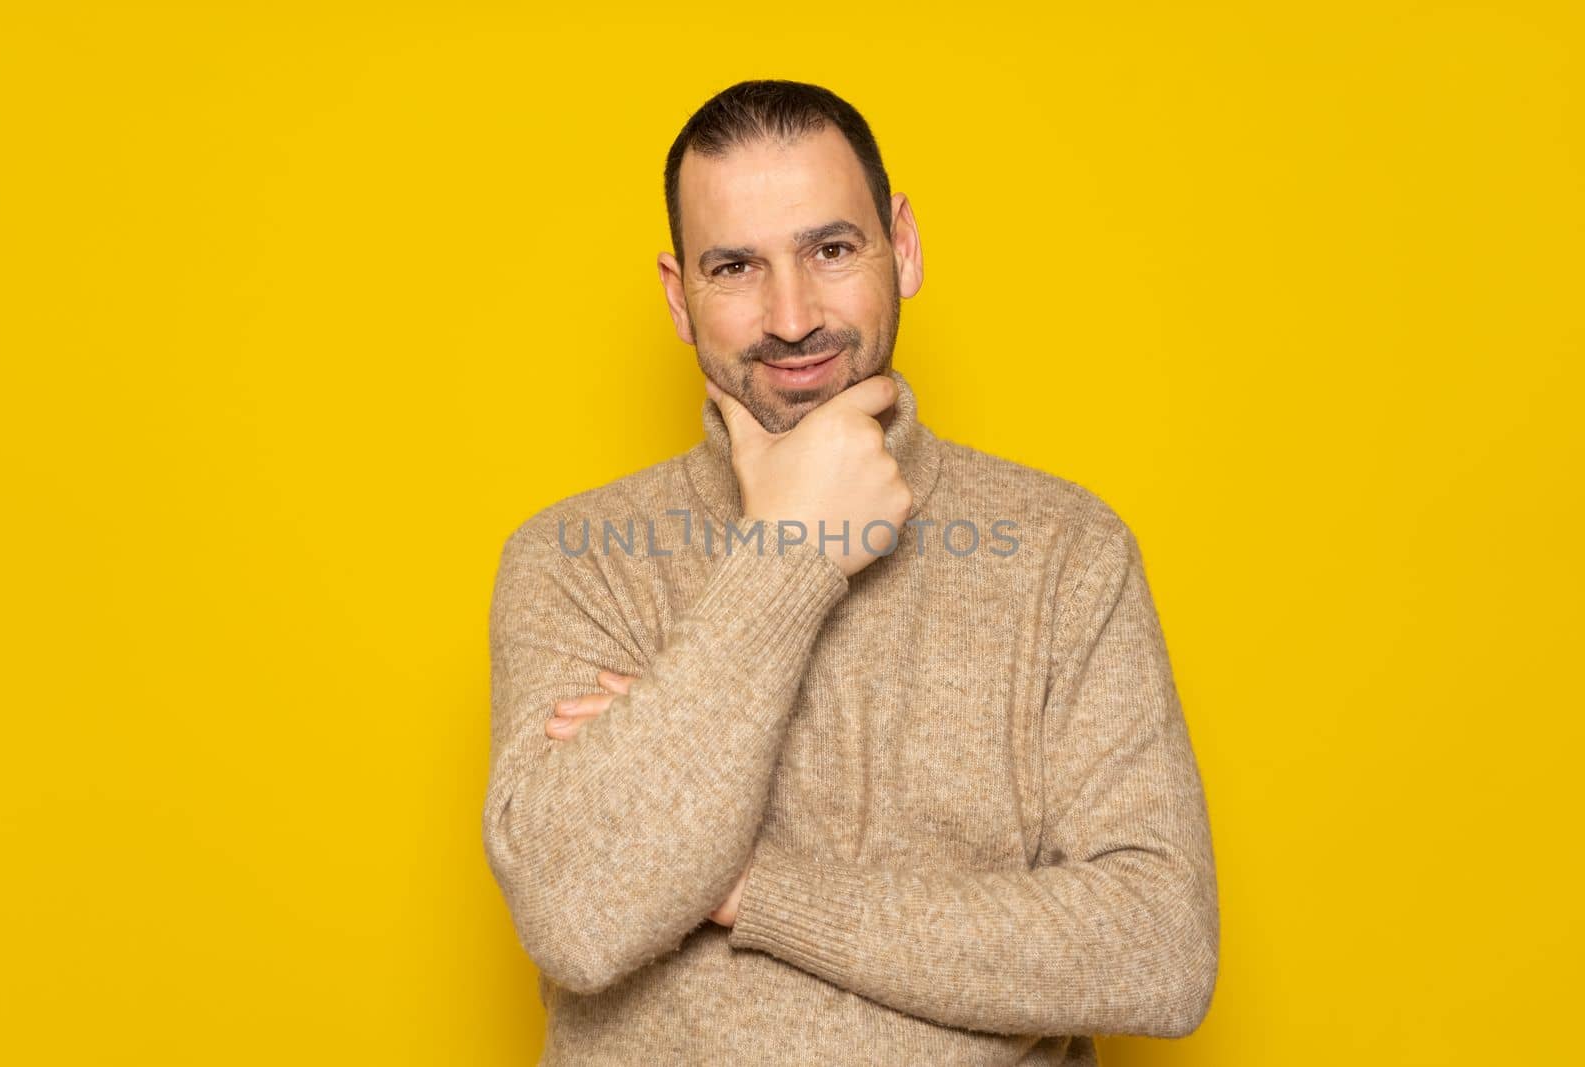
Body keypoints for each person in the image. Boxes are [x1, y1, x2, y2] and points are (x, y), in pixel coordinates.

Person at [481, 79, 1219, 1066]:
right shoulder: (576, 560)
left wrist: (746, 887)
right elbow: (579, 912)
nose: (791, 317)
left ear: (901, 247)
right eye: (736, 265)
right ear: (676, 293)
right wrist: (792, 553)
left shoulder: (1063, 551)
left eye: (830, 251)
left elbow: (1158, 948)